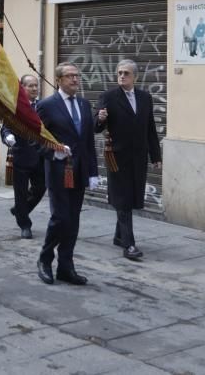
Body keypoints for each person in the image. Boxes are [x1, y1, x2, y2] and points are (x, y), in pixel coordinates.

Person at [35, 62, 98, 286]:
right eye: (70, 76)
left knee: (73, 220)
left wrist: (93, 171)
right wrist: (54, 152)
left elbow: (88, 140)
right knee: (60, 217)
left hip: (79, 171)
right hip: (58, 170)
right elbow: (36, 138)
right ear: (59, 80)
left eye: (77, 76)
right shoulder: (47, 105)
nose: (74, 80)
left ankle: (66, 266)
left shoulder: (83, 104)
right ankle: (44, 259)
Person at [94, 59, 162, 260]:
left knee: (132, 198)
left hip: (138, 157)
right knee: (122, 199)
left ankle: (118, 236)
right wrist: (100, 118)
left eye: (126, 73)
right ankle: (129, 245)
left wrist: (155, 156)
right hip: (116, 157)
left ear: (135, 77)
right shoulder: (109, 97)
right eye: (119, 73)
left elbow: (150, 128)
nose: (122, 76)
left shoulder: (145, 98)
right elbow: (95, 126)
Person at [1, 74, 47, 239]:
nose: (35, 89)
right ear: (22, 88)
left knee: (40, 188)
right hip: (21, 154)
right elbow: (5, 128)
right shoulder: (14, 106)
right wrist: (8, 138)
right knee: (20, 192)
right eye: (30, 86)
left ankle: (20, 210)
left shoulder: (43, 106)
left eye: (36, 86)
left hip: (40, 156)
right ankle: (25, 224)